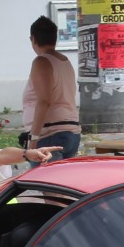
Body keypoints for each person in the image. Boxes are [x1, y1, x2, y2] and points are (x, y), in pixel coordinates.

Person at [24, 16, 81, 161]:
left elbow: (44, 101)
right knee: (63, 182)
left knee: (44, 182)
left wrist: (33, 139)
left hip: (50, 134)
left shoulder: (41, 62)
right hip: (70, 131)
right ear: (55, 38)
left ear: (34, 39)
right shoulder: (64, 61)